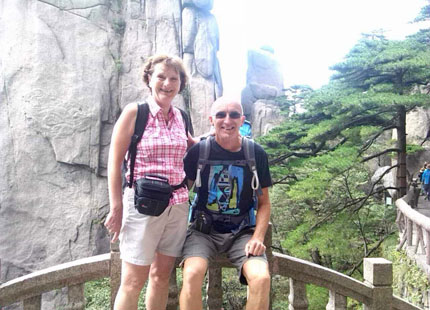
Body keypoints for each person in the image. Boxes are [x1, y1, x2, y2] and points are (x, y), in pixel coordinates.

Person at [104, 54, 195, 310]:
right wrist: (117, 207)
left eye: (173, 79)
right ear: (149, 79)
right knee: (133, 282)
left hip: (177, 206)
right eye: (161, 77)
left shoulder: (181, 117)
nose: (167, 83)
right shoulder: (136, 113)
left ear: (180, 84)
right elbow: (115, 161)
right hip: (142, 206)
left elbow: (192, 148)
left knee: (161, 277)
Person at [179, 97, 272, 310]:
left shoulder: (255, 153)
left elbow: (264, 203)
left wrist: (258, 237)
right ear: (211, 119)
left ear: (242, 120)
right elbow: (180, 193)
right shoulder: (200, 151)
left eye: (233, 115)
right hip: (203, 230)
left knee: (261, 279)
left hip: (242, 231)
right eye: (221, 115)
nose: (227, 120)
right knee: (192, 274)